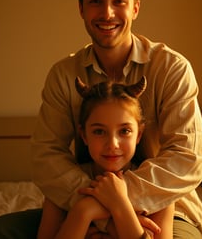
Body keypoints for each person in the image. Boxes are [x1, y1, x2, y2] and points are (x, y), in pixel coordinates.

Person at [0, 0, 202, 239]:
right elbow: (46, 155)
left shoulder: (171, 68)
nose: (107, 13)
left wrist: (118, 200)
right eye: (95, 1)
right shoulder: (63, 75)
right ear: (81, 8)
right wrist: (88, 203)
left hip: (162, 206)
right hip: (80, 199)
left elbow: (187, 158)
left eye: (118, 1)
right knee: (0, 232)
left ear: (135, 8)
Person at [38, 76, 174, 239]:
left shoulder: (157, 187)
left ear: (139, 134)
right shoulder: (62, 185)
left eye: (124, 131)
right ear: (84, 135)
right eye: (99, 131)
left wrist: (119, 205)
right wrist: (83, 212)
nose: (112, 144)